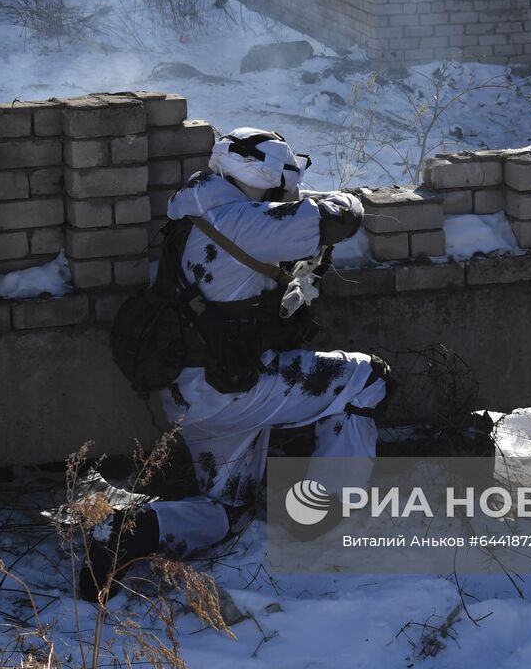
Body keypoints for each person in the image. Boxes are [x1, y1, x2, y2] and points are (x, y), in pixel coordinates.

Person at [82, 128, 389, 601]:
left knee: (226, 511)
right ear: (269, 180)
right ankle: (330, 517)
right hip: (236, 390)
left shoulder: (193, 204)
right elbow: (339, 219)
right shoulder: (245, 222)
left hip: (188, 391)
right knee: (368, 379)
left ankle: (127, 531)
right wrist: (335, 198)